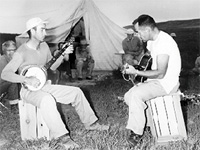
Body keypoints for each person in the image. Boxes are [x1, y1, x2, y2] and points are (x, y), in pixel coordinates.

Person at [1, 17, 109, 149]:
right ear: (33, 31)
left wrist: (62, 56)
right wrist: (26, 79)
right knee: (47, 100)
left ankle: (91, 123)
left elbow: (51, 67)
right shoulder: (21, 52)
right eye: (42, 30)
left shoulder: (44, 46)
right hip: (28, 91)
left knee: (76, 92)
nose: (45, 33)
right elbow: (5, 74)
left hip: (45, 86)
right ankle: (63, 138)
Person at [122, 15, 181, 147]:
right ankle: (147, 124)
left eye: (139, 32)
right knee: (128, 96)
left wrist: (136, 72)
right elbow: (149, 62)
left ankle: (136, 134)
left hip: (167, 83)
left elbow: (160, 73)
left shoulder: (164, 42)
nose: (138, 35)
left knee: (136, 95)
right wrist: (137, 68)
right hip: (157, 81)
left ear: (148, 29)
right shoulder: (152, 41)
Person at [0, 40, 20, 107]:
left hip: (3, 85)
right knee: (12, 82)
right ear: (4, 51)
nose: (12, 52)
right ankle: (14, 107)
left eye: (14, 50)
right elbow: (6, 78)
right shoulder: (2, 60)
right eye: (9, 50)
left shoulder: (12, 60)